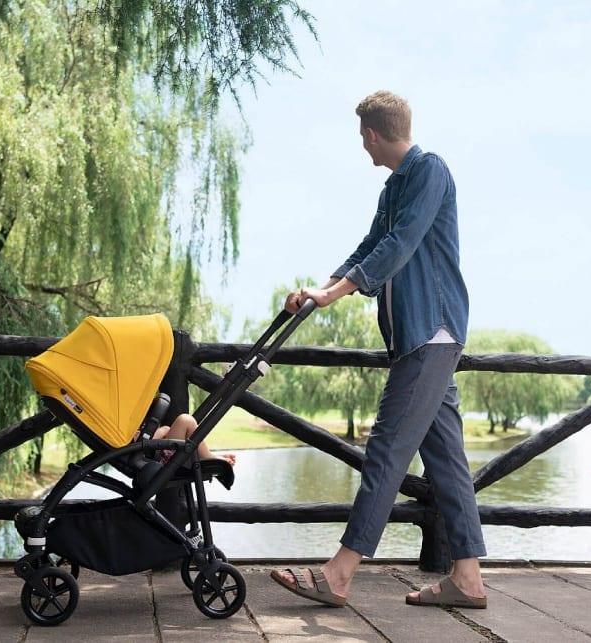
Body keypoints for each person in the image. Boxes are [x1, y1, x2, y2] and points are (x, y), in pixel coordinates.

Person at [270, 90, 487, 609]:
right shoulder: (393, 187)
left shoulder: (430, 170)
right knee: (448, 460)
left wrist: (332, 294)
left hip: (431, 332)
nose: (361, 145)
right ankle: (468, 580)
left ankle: (340, 574)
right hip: (418, 338)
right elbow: (368, 248)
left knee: (387, 449)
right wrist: (317, 291)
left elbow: (400, 245)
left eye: (360, 136)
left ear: (371, 133)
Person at [149, 413, 236, 466]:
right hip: (157, 459)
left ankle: (206, 455)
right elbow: (144, 440)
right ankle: (209, 457)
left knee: (178, 424)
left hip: (155, 453)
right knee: (185, 421)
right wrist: (162, 431)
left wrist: (164, 430)